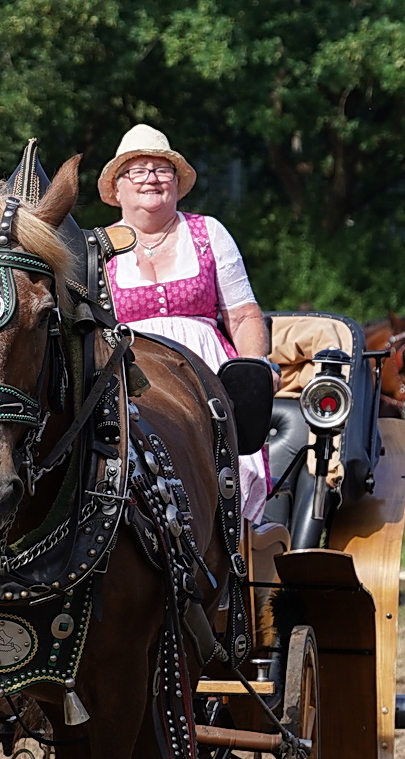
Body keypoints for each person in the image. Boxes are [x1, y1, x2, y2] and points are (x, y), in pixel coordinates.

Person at [99, 123, 273, 522]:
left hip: (207, 374)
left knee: (231, 469)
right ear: (118, 188)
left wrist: (253, 369)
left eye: (162, 170)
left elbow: (244, 313)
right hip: (133, 380)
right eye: (138, 170)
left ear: (176, 183)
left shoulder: (209, 232)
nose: (152, 179)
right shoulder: (99, 247)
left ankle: (232, 551)